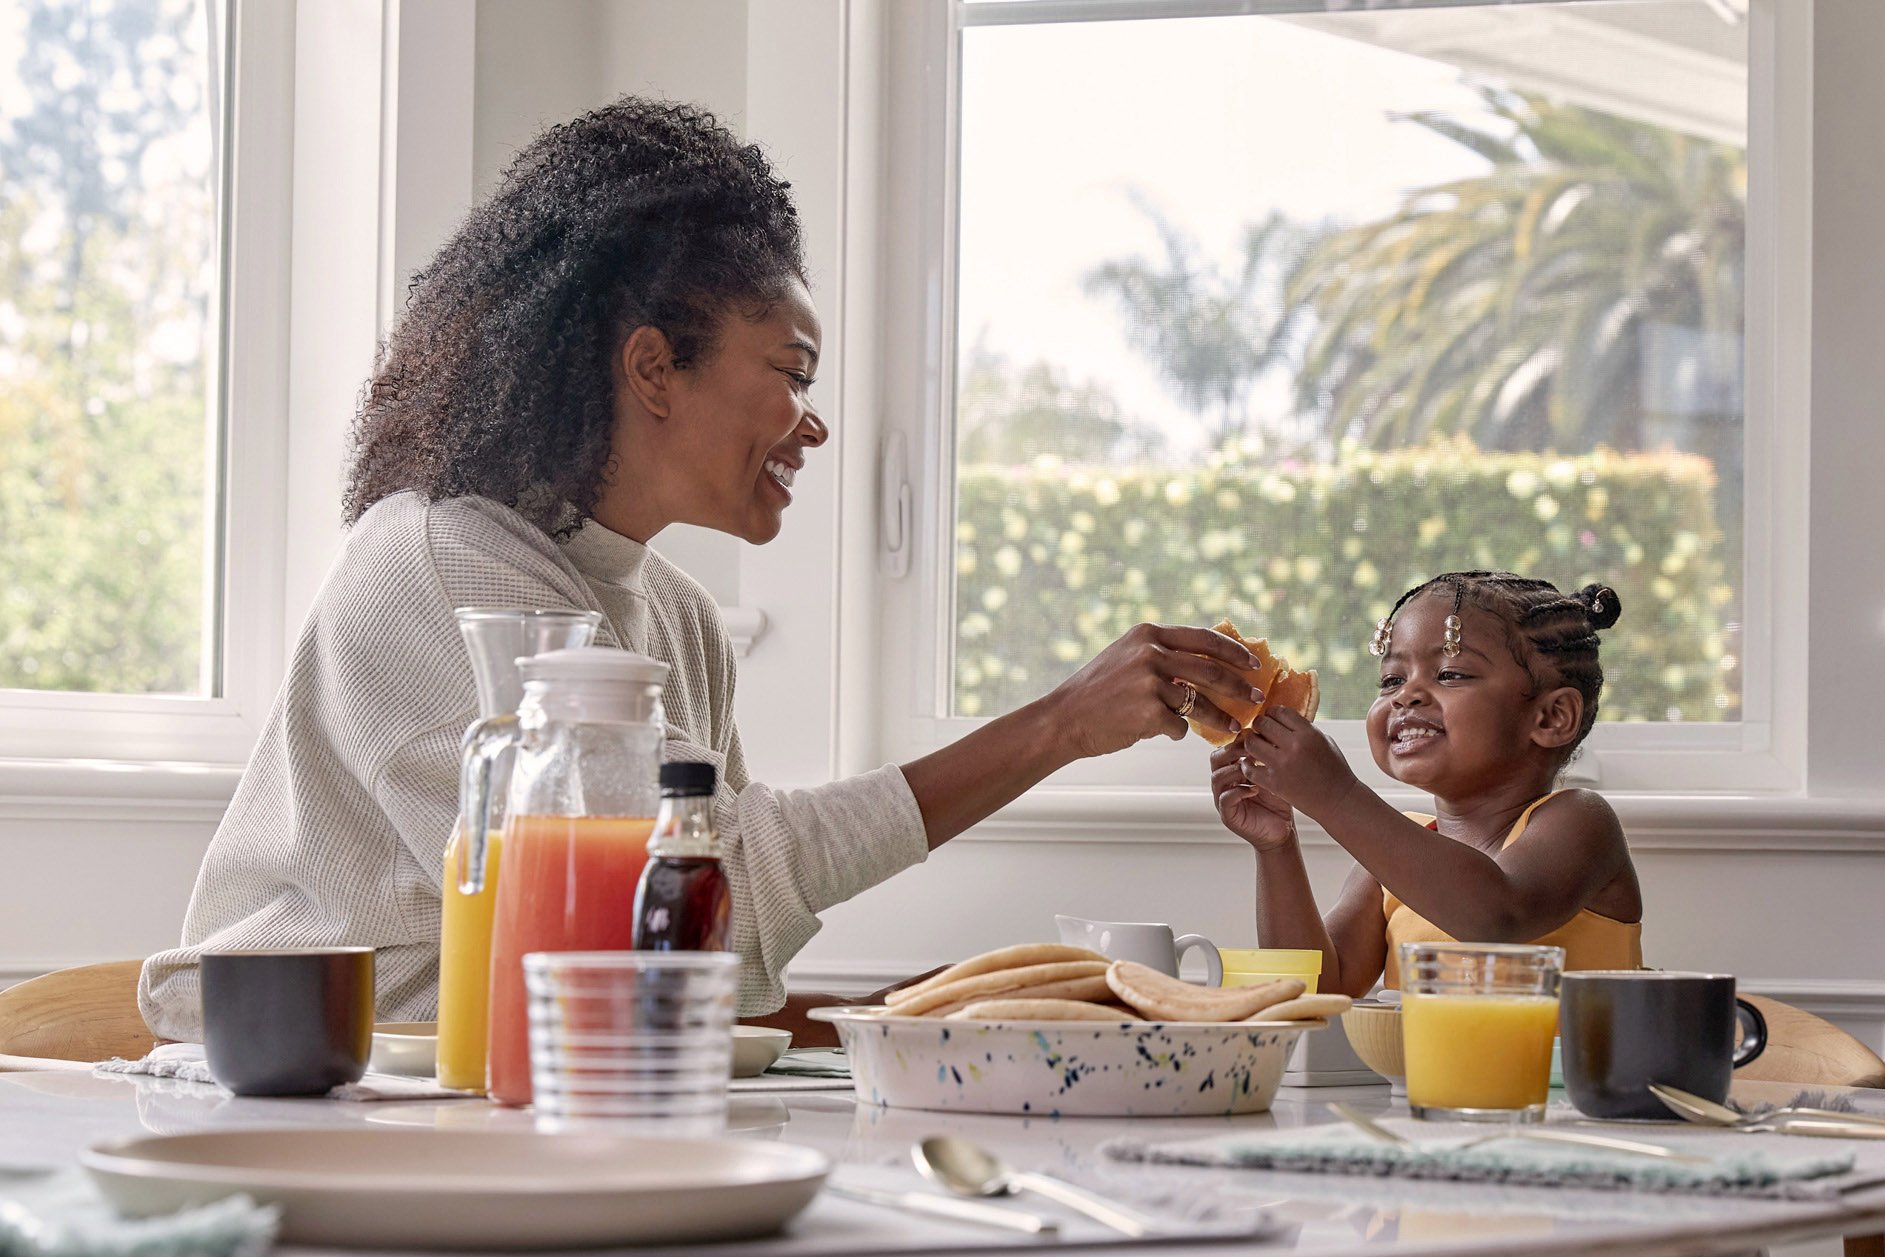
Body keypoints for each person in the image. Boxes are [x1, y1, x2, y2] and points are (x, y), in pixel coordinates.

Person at [138, 98, 1264, 1041]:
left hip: (532, 1096)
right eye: (792, 370)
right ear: (653, 368)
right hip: (316, 1091)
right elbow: (680, 888)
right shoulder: (443, 564)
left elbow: (698, 945)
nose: (811, 427)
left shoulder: (670, 615)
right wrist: (1057, 725)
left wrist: (953, 1019)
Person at [1209, 570, 1641, 997]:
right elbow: (1316, 987)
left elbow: (1496, 917)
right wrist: (1276, 847)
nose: (1405, 696)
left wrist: (1336, 797)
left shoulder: (1580, 822)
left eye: (1451, 674)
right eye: (1392, 680)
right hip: (1424, 1072)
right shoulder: (1387, 866)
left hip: (1570, 1072)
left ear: (1551, 717)